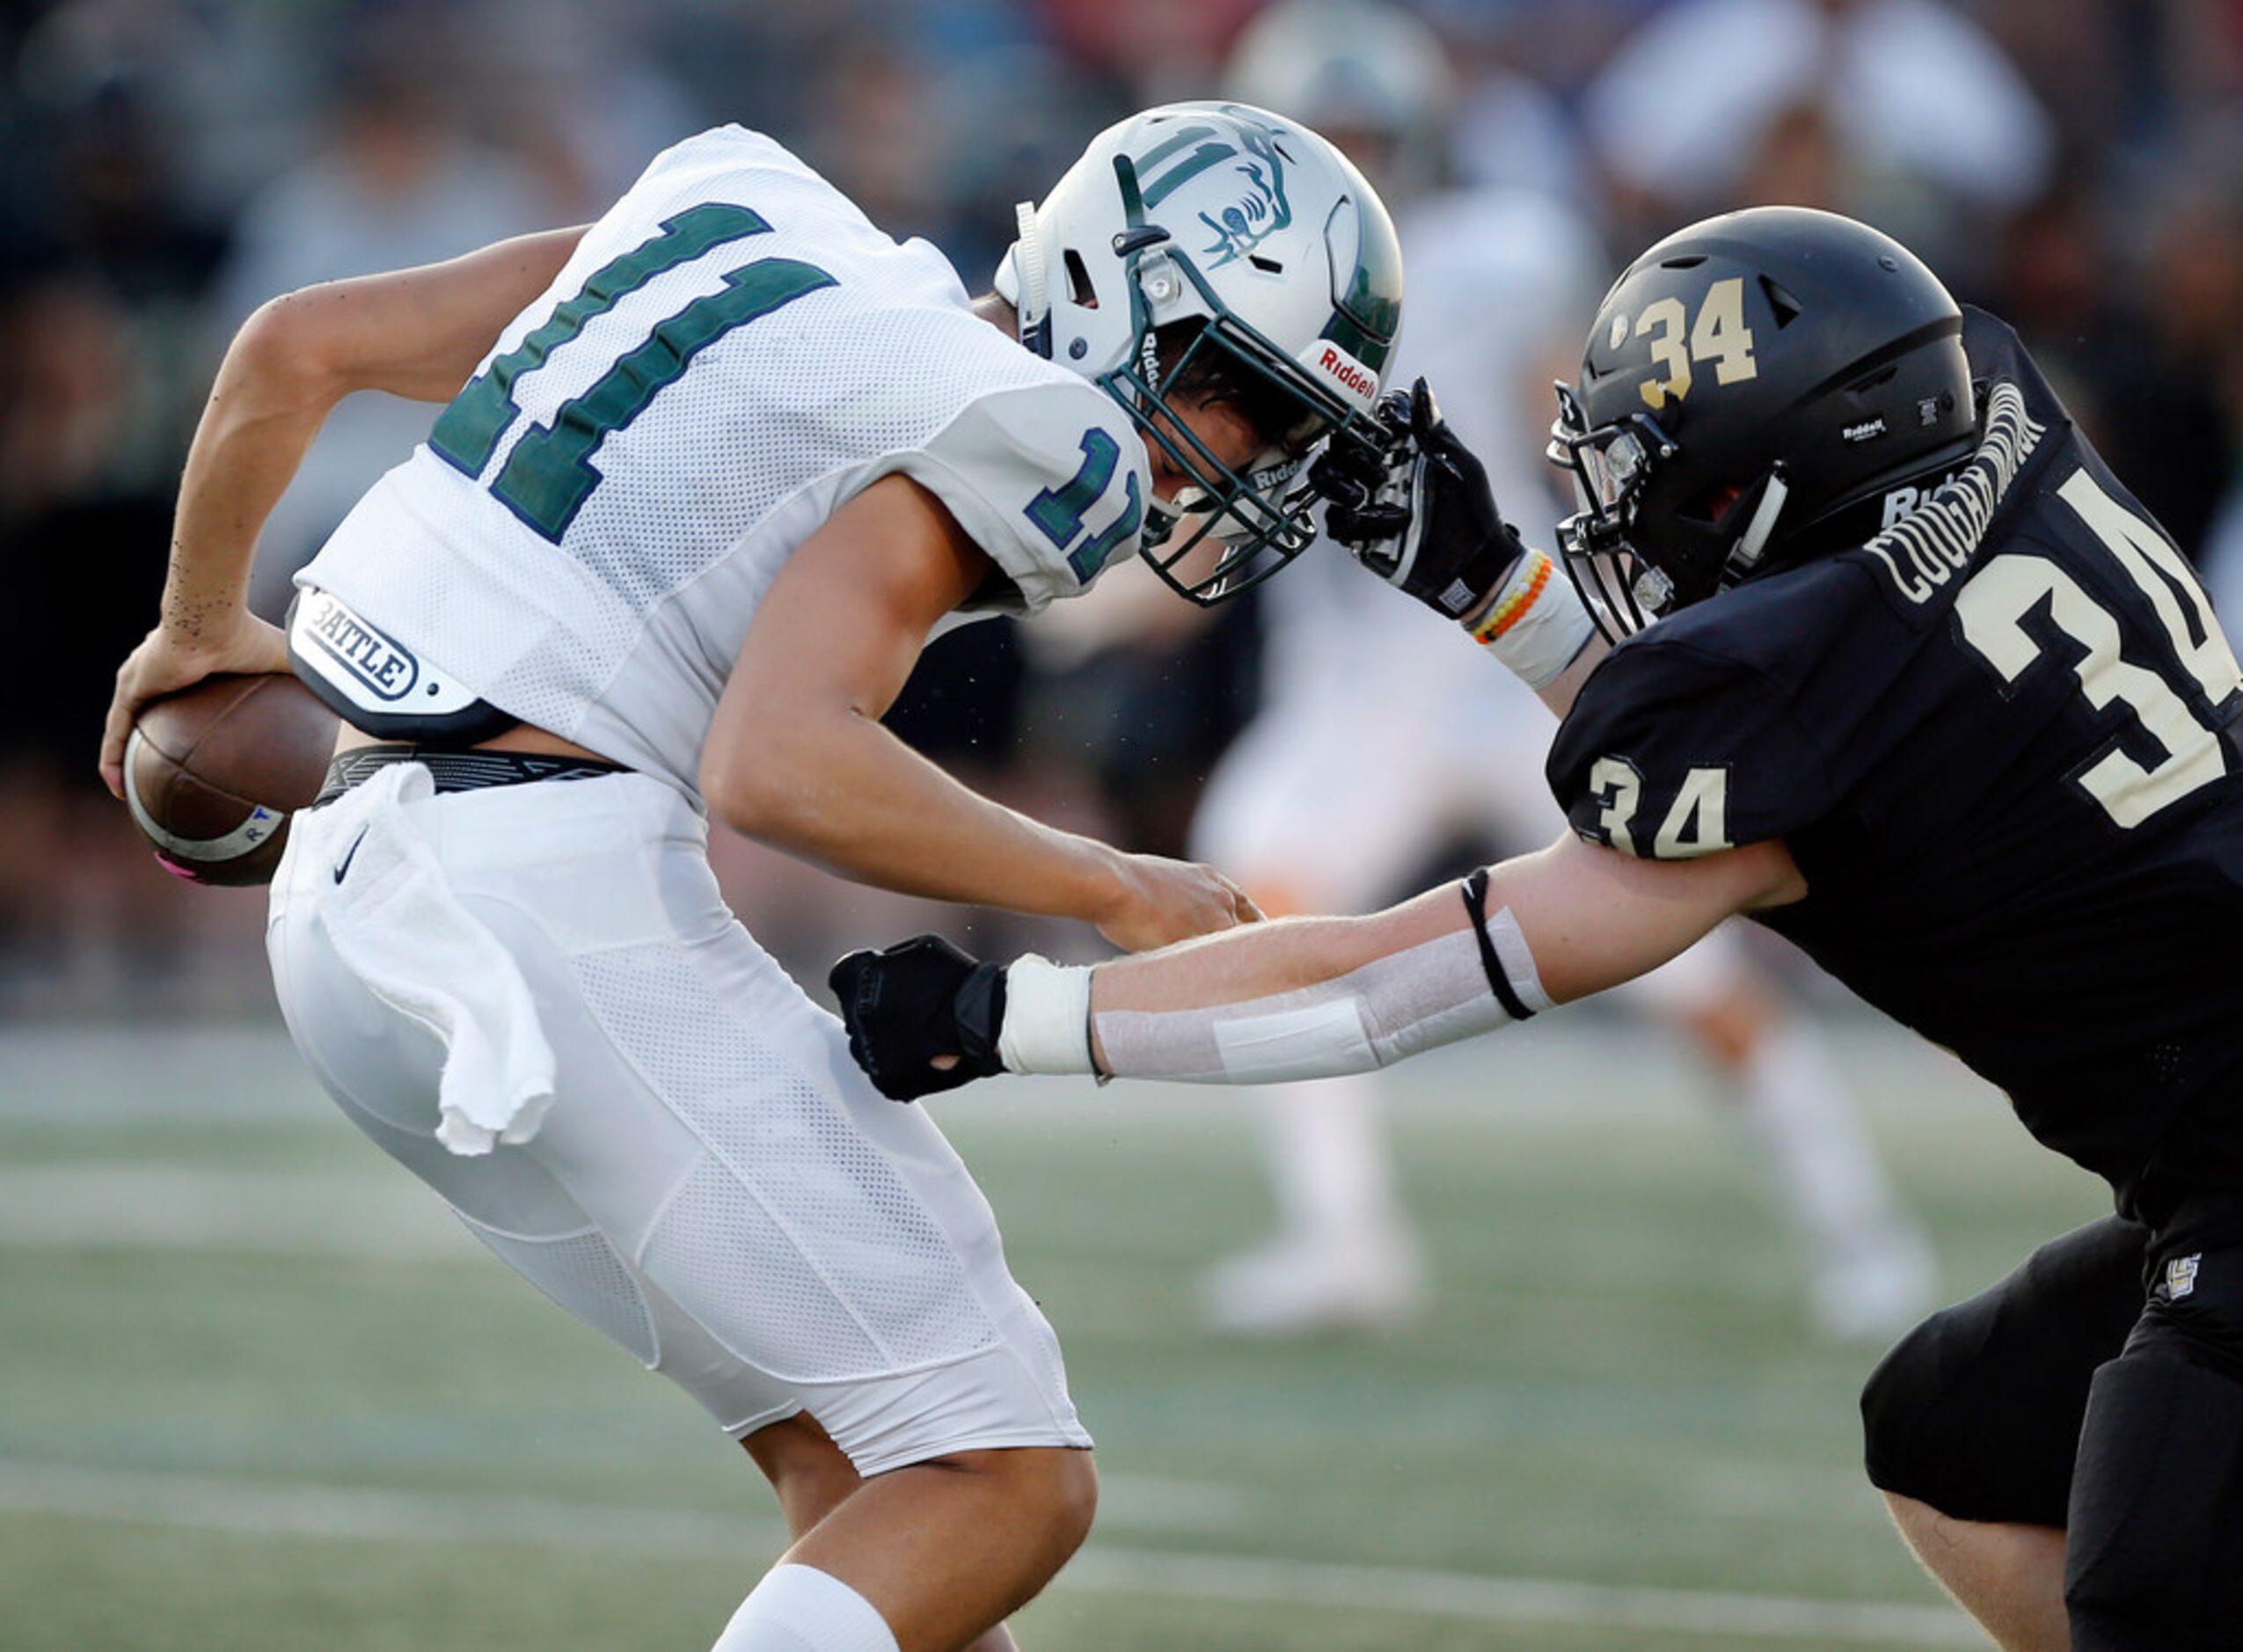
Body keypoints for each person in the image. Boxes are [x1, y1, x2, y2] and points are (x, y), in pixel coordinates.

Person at [835, 205, 2243, 1650]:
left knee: (2145, 1597)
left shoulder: (1811, 696)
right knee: (1947, 1436)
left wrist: (1004, 1019)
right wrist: (1494, 589)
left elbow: (1381, 989)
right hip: (2198, 1139)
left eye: (1661, 469)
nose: (1629, 501)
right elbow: (1826, 704)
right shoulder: (1987, 417)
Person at [98, 107, 1403, 1652]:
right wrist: (1113, 883)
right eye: (1226, 389)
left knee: (864, 1463)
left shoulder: (740, 207)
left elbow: (293, 345)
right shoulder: (1035, 421)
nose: (1234, 451)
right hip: (534, 898)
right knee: (1009, 1476)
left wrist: (193, 628)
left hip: (343, 907)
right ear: (1115, 284)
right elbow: (779, 765)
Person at [1187, 0, 1933, 1340]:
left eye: (1366, 132)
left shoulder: (1493, 252)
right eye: (1325, 135)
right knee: (1259, 903)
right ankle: (1344, 1236)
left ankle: (1855, 1222)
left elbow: (1581, 430)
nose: (1350, 156)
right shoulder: (1236, 297)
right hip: (1348, 689)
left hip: (1499, 649)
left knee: (1680, 948)